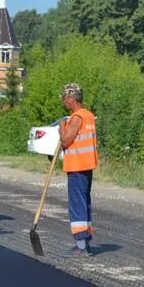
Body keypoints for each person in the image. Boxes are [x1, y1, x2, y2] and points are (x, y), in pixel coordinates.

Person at [58, 83, 98, 257]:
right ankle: (85, 244)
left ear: (72, 99)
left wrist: (61, 126)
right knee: (84, 203)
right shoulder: (89, 115)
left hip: (77, 167)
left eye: (65, 99)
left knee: (77, 205)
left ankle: (81, 246)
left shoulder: (77, 118)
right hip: (86, 166)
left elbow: (66, 141)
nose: (64, 102)